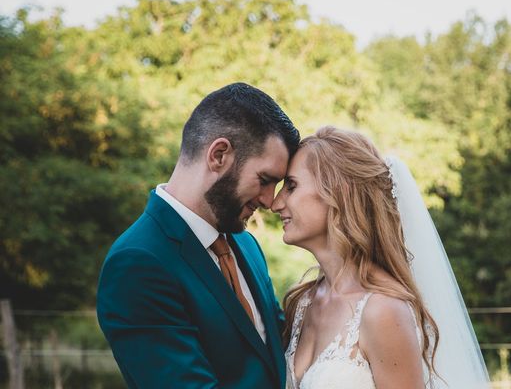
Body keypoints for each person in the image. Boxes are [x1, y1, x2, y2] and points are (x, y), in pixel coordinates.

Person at [97, 83, 300, 389]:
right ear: (219, 155)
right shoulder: (138, 262)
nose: (270, 200)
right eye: (264, 180)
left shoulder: (245, 244)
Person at [271, 126, 490, 389]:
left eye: (291, 186)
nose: (276, 203)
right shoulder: (302, 303)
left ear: (340, 193)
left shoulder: (383, 310)